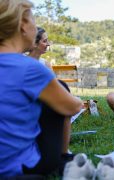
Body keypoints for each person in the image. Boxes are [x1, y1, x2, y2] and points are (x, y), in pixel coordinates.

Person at [0, 0, 84, 178]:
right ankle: (62, 156)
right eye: (34, 21)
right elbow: (73, 107)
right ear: (23, 26)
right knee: (60, 87)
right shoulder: (30, 68)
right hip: (20, 168)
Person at [29, 27, 72, 157]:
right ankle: (63, 153)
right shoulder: (22, 62)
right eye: (45, 41)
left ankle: (63, 148)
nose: (48, 44)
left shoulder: (46, 64)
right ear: (35, 44)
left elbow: (56, 89)